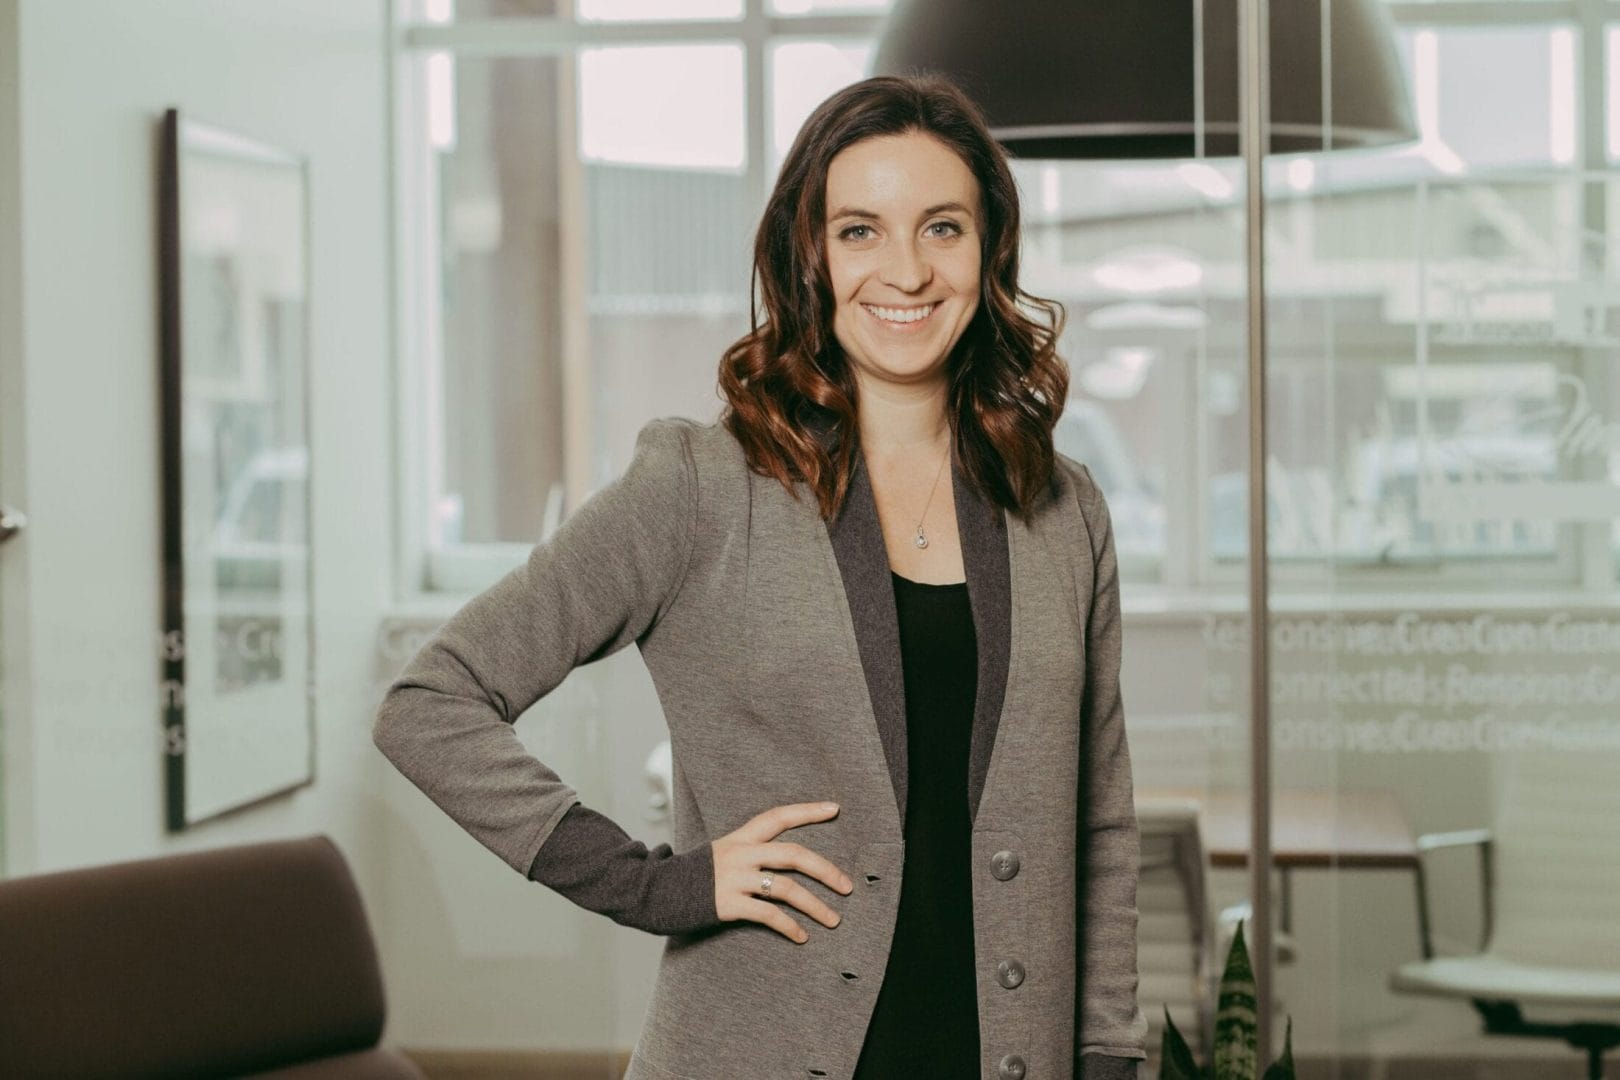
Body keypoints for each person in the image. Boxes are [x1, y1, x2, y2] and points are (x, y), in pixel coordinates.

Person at [373, 73, 1149, 1080]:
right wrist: (662, 886)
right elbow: (429, 705)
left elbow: (1100, 818)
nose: (906, 271)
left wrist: (1111, 1057)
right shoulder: (700, 487)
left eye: (943, 228)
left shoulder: (1061, 505)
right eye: (861, 230)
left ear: (989, 250)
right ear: (812, 255)